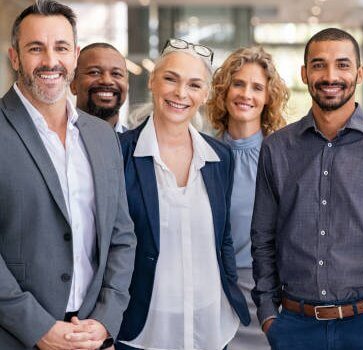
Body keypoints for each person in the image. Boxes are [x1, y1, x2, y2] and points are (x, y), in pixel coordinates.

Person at [251, 27, 363, 350]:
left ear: (359, 73)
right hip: (294, 329)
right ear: (304, 73)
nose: (330, 76)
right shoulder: (276, 149)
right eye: (319, 65)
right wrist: (268, 315)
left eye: (343, 65)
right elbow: (263, 239)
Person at [0, 1, 136, 349]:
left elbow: (121, 236)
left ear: (74, 56)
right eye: (35, 48)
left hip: (91, 336)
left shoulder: (102, 136)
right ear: (15, 57)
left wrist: (106, 319)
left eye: (61, 48)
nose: (50, 61)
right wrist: (38, 327)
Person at [115, 38, 250, 350]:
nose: (180, 93)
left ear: (205, 95)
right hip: (143, 328)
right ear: (152, 80)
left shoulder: (219, 157)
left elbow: (223, 236)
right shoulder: (119, 153)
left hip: (210, 326)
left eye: (193, 85)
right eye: (170, 79)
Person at [207, 46, 288, 350]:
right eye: (238, 84)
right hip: (214, 296)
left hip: (270, 296)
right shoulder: (202, 154)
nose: (246, 94)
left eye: (257, 87)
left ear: (268, 97)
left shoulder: (282, 157)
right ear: (224, 91)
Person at [70, 42, 129, 132]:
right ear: (73, 84)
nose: (107, 81)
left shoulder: (138, 144)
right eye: (94, 72)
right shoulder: (56, 141)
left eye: (116, 74)